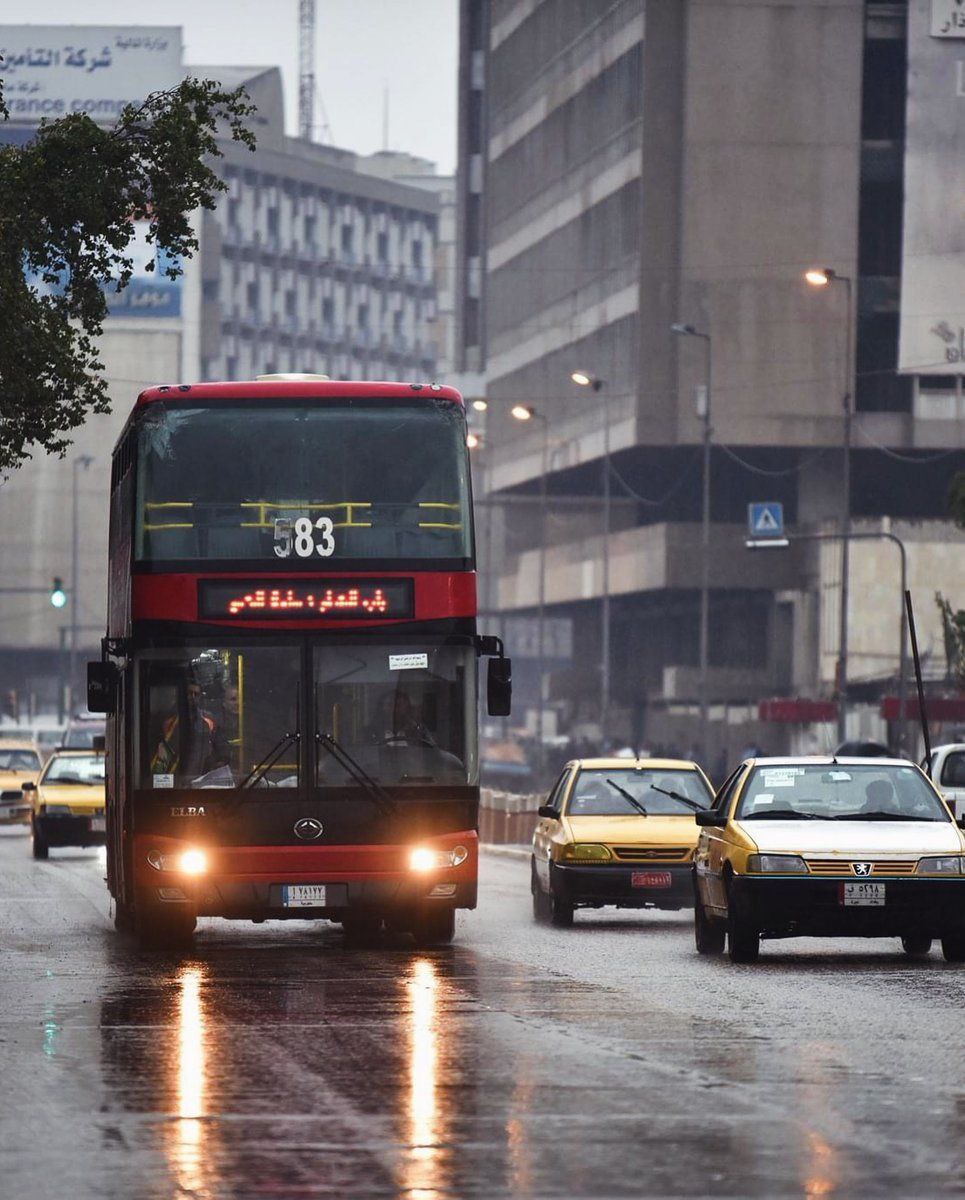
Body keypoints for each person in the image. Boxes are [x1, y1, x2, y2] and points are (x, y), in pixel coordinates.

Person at [152, 679, 230, 782]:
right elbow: (160, 752)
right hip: (172, 781)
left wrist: (215, 767)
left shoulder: (209, 720)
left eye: (196, 694)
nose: (192, 698)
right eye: (189, 693)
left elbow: (221, 750)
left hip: (201, 780)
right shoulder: (167, 720)